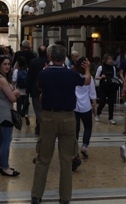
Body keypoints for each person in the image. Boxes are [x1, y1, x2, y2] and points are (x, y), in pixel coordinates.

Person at [31, 43, 90, 204]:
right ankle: (65, 198)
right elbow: (85, 82)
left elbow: (41, 91)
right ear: (64, 58)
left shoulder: (44, 74)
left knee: (43, 158)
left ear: (50, 57)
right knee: (66, 160)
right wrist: (87, 69)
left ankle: (37, 195)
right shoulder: (71, 74)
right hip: (68, 118)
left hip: (49, 117)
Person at [0, 55, 20, 177]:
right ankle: (5, 167)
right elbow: (12, 98)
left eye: (9, 64)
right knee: (6, 140)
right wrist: (16, 92)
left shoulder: (1, 78)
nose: (7, 66)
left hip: (2, 111)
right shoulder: (2, 80)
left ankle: (1, 164)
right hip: (5, 113)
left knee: (2, 139)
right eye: (4, 64)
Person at [74, 56, 98, 159]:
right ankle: (85, 146)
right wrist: (95, 105)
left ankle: (74, 149)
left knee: (75, 129)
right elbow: (92, 93)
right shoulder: (89, 78)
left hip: (74, 106)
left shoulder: (74, 75)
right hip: (86, 106)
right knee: (88, 127)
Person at [27, 45, 48, 136]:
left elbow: (30, 76)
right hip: (47, 89)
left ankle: (41, 126)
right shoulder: (49, 62)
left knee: (38, 109)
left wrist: (28, 89)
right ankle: (39, 126)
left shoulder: (33, 62)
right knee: (45, 108)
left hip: (35, 89)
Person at [95, 54, 120, 124]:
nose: (110, 60)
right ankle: (98, 113)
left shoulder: (113, 68)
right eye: (109, 59)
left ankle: (111, 118)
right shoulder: (100, 68)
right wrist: (101, 77)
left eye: (111, 59)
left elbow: (114, 76)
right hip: (103, 87)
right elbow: (96, 77)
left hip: (111, 87)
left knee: (111, 103)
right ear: (105, 60)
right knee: (102, 102)